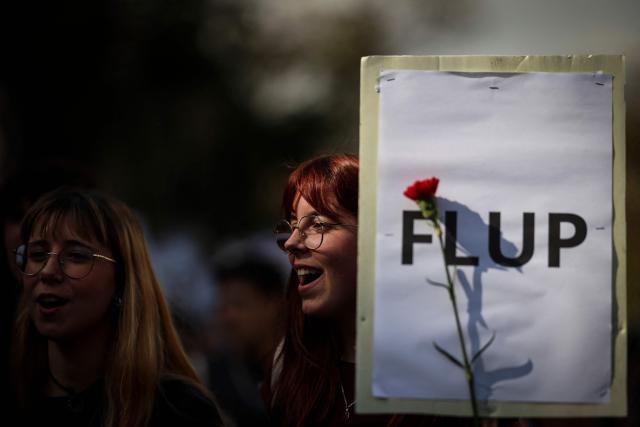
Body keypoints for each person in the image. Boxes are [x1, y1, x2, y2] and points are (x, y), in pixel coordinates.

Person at [11, 187, 223, 427]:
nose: (48, 271)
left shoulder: (178, 411)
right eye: (37, 254)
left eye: (76, 256)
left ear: (123, 281)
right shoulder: (14, 399)